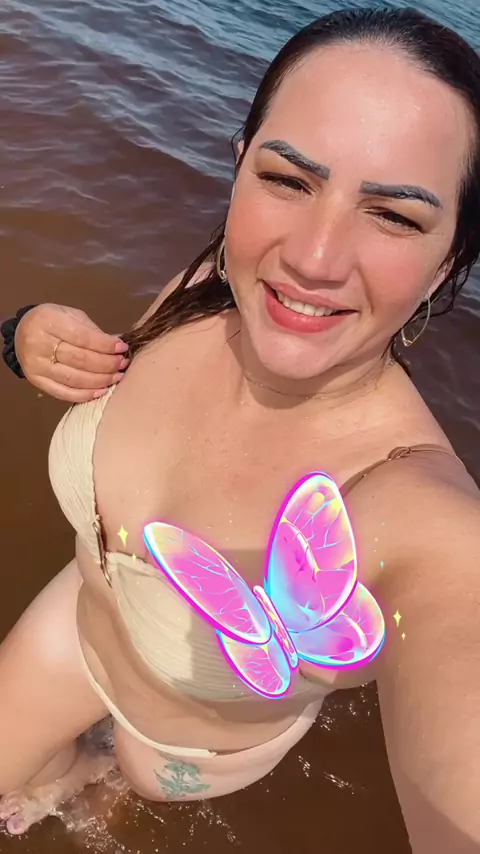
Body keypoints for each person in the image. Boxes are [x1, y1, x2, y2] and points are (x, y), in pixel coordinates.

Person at [1, 6, 480, 851]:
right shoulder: (203, 293)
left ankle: (98, 770)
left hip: (185, 745)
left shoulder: (420, 516)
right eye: (288, 179)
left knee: (130, 780)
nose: (313, 259)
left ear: (447, 263)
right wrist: (22, 336)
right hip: (74, 624)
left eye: (396, 216)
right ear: (238, 168)